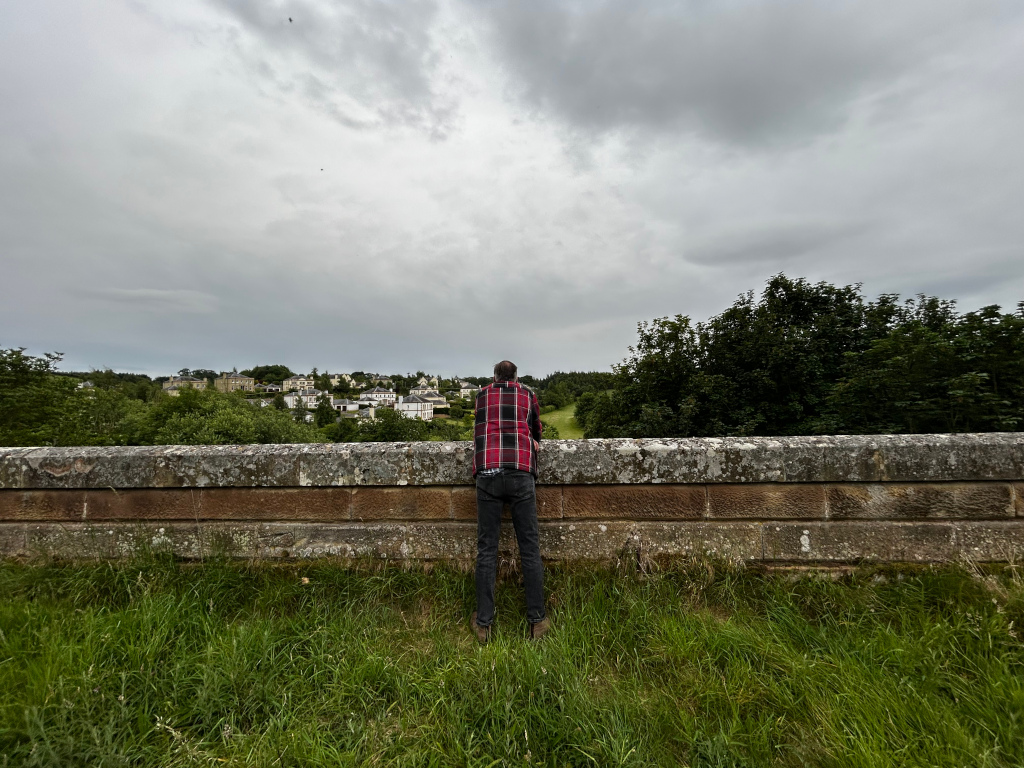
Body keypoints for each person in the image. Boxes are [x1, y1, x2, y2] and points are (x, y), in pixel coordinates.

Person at [470, 360, 550, 644]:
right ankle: (537, 620)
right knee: (529, 548)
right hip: (520, 472)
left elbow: (479, 429)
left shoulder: (481, 395)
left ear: (494, 377)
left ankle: (483, 624)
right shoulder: (527, 394)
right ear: (516, 377)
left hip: (488, 472)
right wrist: (532, 439)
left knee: (487, 550)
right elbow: (536, 428)